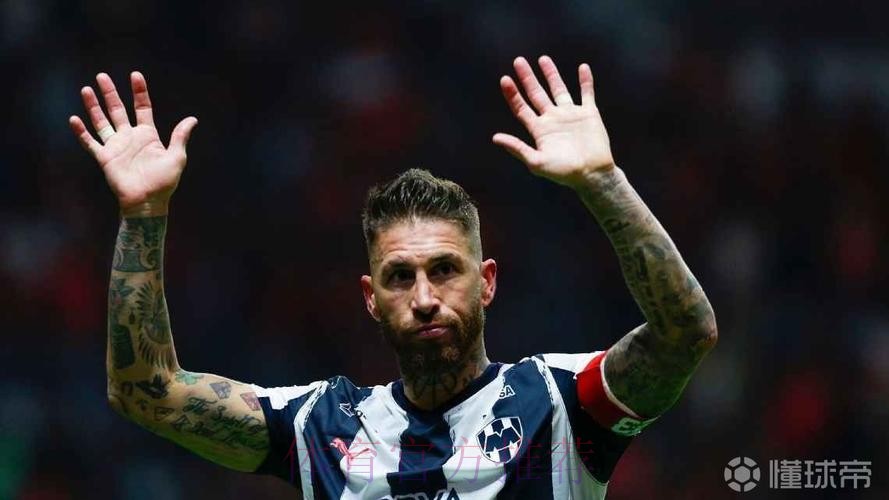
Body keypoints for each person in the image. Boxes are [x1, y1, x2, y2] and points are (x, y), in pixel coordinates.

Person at [69, 55, 717, 499]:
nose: (425, 297)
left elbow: (685, 332)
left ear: (487, 281)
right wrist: (143, 214)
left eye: (445, 270)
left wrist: (602, 181)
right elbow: (147, 391)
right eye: (400, 276)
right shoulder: (320, 427)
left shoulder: (560, 402)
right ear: (371, 298)